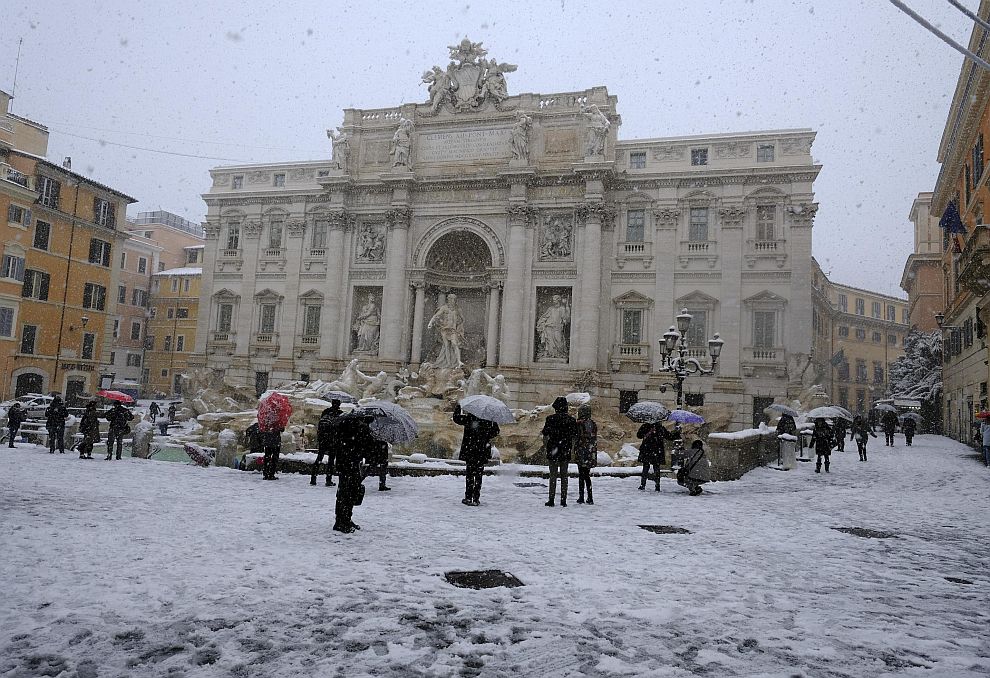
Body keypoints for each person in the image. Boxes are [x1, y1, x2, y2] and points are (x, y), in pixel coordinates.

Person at [333, 410, 376, 533]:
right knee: (349, 492)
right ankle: (344, 521)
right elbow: (367, 447)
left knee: (343, 492)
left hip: (344, 463)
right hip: (351, 464)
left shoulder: (345, 426)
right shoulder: (360, 429)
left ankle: (342, 519)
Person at [453, 403, 500, 506]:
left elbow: (456, 418)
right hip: (481, 450)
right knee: (478, 475)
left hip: (470, 450)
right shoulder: (488, 420)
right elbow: (496, 431)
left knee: (470, 474)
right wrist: (486, 436)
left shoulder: (470, 418)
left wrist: (458, 407)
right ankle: (476, 498)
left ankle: (468, 497)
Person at [542, 397, 577, 507]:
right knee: (564, 475)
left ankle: (551, 499)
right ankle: (563, 500)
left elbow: (545, 432)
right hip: (565, 450)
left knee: (553, 475)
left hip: (553, 449)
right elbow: (574, 435)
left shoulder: (550, 419)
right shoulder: (571, 420)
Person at [426, 294, 465, 368]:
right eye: (450, 299)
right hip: (445, 329)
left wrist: (460, 326)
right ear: (448, 300)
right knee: (446, 346)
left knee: (454, 344)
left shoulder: (457, 309)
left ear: (455, 300)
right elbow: (436, 316)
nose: (451, 301)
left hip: (453, 330)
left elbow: (462, 319)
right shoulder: (444, 308)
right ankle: (448, 363)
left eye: (453, 299)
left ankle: (459, 361)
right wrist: (430, 323)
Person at [637, 420, 676, 491]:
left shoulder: (646, 426)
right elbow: (669, 437)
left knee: (645, 467)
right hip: (657, 450)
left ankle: (643, 484)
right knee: (656, 468)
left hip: (647, 449)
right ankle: (657, 485)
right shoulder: (660, 428)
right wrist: (676, 432)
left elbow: (639, 435)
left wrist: (646, 433)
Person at [311, 401, 342, 487]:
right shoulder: (340, 414)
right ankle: (328, 480)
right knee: (331, 460)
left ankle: (313, 478)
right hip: (332, 440)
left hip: (323, 439)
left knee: (319, 458)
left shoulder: (325, 412)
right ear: (339, 405)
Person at [573, 405, 598, 505]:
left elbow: (575, 436)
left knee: (581, 474)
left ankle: (581, 496)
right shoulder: (593, 423)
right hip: (590, 452)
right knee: (587, 475)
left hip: (581, 451)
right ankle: (590, 497)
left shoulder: (579, 423)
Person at [536, 295, 570, 360]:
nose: (553, 301)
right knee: (549, 342)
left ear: (558, 300)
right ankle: (550, 354)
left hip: (557, 328)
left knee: (559, 341)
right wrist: (542, 322)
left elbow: (565, 319)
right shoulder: (550, 309)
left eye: (555, 300)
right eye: (553, 300)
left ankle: (560, 354)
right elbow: (544, 317)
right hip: (549, 327)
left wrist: (567, 310)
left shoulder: (562, 308)